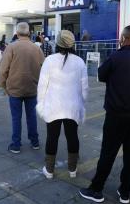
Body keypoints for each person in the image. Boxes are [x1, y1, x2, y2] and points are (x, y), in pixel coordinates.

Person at [79, 25, 130, 204]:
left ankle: (96, 189)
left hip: (116, 114)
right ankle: (125, 192)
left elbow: (101, 75)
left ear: (123, 38)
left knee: (108, 153)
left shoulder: (116, 57)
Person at [37, 30, 88, 179]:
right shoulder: (79, 61)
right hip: (72, 106)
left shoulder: (49, 60)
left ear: (57, 43)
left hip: (53, 106)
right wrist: (81, 102)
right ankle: (72, 169)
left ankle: (49, 169)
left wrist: (41, 103)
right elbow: (84, 87)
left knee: (52, 137)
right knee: (72, 137)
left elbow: (42, 85)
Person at [0, 22, 45, 154]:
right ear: (30, 33)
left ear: (17, 33)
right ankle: (34, 142)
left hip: (15, 88)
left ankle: (16, 144)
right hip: (32, 88)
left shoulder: (11, 47)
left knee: (16, 117)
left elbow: (3, 70)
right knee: (32, 116)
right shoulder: (37, 48)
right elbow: (44, 68)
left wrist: (4, 86)